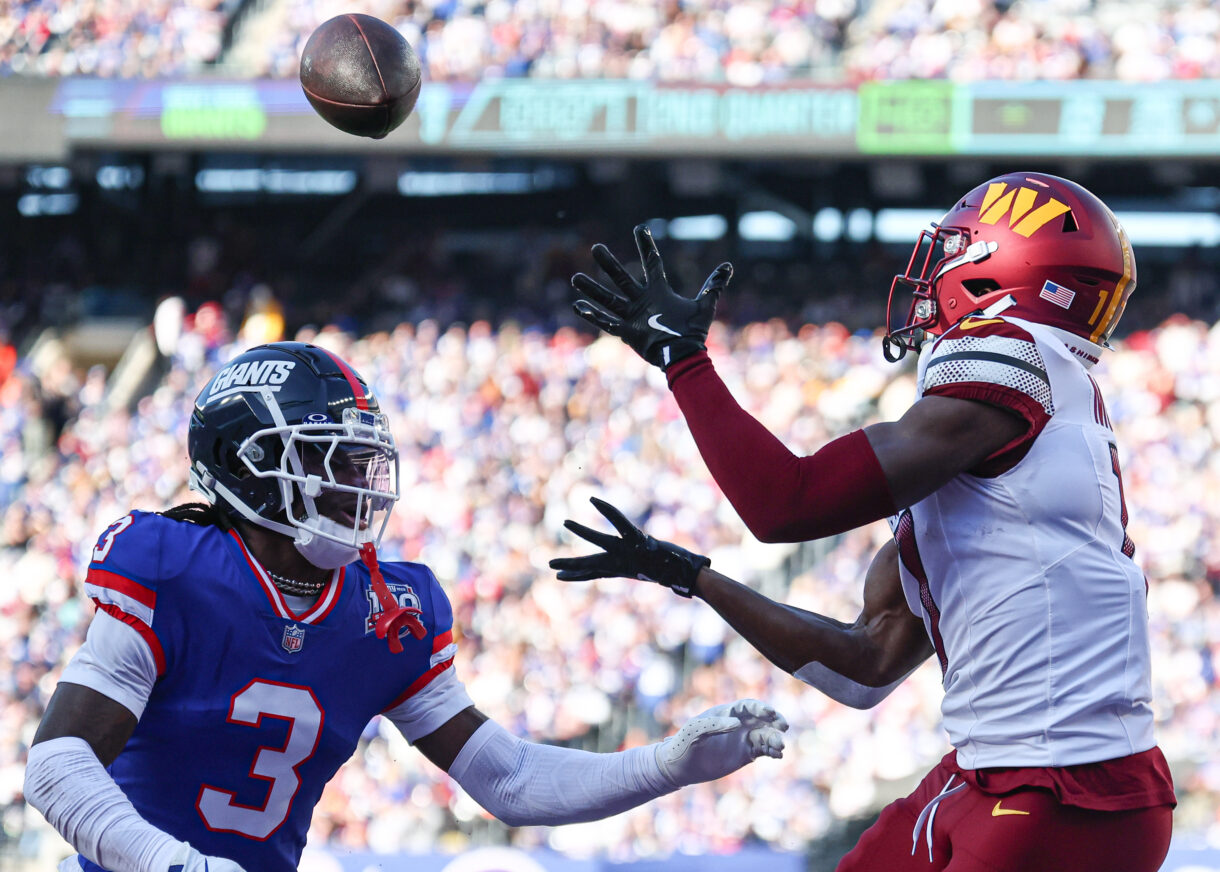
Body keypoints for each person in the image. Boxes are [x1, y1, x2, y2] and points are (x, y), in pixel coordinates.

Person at [557, 172, 1176, 871]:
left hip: (1055, 790)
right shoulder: (1033, 432)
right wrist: (694, 577)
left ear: (1003, 269)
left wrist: (684, 362)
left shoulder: (1010, 362)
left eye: (953, 251)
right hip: (1017, 777)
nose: (929, 272)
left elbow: (786, 502)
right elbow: (865, 668)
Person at [23, 341, 789, 872]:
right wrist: (174, 865)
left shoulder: (388, 607)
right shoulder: (173, 565)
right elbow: (58, 764)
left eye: (364, 461)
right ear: (249, 466)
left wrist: (666, 764)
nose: (358, 484)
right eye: (330, 460)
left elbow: (510, 779)